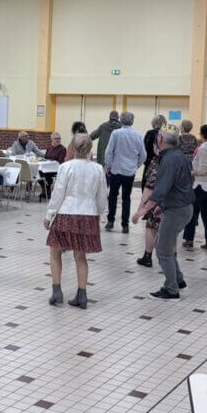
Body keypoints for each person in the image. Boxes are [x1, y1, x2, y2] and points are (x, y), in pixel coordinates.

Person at [44, 133, 107, 309]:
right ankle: (82, 295)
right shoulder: (98, 168)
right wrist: (99, 213)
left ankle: (57, 292)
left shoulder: (66, 167)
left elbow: (58, 194)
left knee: (55, 252)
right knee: (80, 256)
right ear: (90, 149)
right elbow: (102, 195)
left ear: (71, 148)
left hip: (66, 213)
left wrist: (49, 215)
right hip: (88, 215)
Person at [132, 125, 193, 300]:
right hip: (184, 207)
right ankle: (178, 279)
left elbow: (160, 190)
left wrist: (142, 210)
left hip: (176, 210)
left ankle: (171, 289)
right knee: (162, 244)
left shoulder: (168, 159)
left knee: (163, 249)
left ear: (160, 139)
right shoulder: (179, 155)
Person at [104, 112, 145, 234]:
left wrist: (108, 166)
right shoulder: (138, 135)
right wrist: (136, 166)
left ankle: (110, 221)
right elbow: (143, 155)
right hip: (129, 172)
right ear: (132, 121)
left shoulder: (116, 133)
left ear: (121, 121)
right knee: (126, 198)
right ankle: (125, 225)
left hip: (116, 170)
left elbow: (109, 151)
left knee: (113, 196)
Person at [183, 124, 207, 250]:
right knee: (206, 213)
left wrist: (192, 173)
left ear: (202, 135)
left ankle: (189, 239)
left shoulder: (204, 149)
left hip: (203, 185)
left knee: (192, 211)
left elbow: (203, 169)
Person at [133, 130, 166, 268]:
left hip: (157, 203)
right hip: (175, 203)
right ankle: (172, 260)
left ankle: (147, 256)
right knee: (170, 232)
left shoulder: (156, 161)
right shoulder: (177, 159)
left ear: (157, 147)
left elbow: (150, 186)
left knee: (151, 227)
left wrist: (141, 206)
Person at [41, 132, 66, 198]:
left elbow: (61, 161)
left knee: (45, 174)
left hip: (55, 169)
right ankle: (45, 188)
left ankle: (47, 190)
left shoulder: (62, 149)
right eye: (56, 138)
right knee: (38, 173)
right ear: (52, 139)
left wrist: (52, 161)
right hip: (46, 167)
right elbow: (45, 158)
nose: (58, 140)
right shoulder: (49, 148)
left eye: (59, 138)